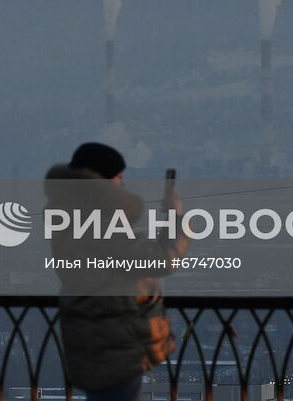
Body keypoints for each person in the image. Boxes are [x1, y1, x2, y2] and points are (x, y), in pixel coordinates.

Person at [44, 142, 187, 401]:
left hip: (92, 335)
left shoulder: (68, 214)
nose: (123, 184)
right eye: (119, 177)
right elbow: (162, 259)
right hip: (115, 339)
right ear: (103, 180)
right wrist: (176, 218)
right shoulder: (100, 221)